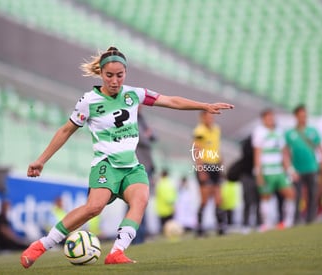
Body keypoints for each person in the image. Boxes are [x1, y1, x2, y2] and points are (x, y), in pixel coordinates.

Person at [20, 46, 233, 268]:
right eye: (109, 75)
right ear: (101, 73)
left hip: (131, 166)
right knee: (94, 208)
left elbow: (170, 101)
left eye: (119, 75)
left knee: (140, 200)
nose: (114, 80)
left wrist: (205, 106)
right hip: (106, 165)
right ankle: (41, 245)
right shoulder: (89, 101)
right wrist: (41, 160)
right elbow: (65, 130)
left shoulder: (134, 94)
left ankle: (117, 252)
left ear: (125, 73)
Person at [252, 109, 296, 232]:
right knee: (265, 197)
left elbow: (284, 154)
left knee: (290, 194)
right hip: (267, 170)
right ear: (263, 119)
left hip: (279, 170)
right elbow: (257, 153)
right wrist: (258, 172)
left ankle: (288, 221)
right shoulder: (259, 132)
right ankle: (266, 224)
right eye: (268, 118)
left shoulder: (279, 131)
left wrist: (290, 170)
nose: (271, 120)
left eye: (272, 117)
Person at [285, 104, 322, 224]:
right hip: (297, 169)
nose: (303, 118)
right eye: (301, 116)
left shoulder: (313, 131)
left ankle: (310, 219)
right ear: (296, 117)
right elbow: (286, 153)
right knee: (297, 195)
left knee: (313, 194)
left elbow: (319, 148)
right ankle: (296, 219)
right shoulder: (290, 133)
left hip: (312, 167)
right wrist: (290, 169)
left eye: (305, 116)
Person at [192, 111, 226, 236]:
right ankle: (199, 227)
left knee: (218, 198)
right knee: (205, 199)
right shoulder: (199, 131)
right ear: (202, 118)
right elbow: (196, 150)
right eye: (207, 117)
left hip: (215, 165)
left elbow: (218, 148)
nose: (210, 119)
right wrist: (201, 170)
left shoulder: (216, 129)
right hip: (205, 166)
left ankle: (221, 227)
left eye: (211, 117)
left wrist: (221, 164)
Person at [132, 106, 156, 244]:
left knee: (141, 201)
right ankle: (135, 236)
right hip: (137, 165)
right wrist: (147, 135)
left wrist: (148, 135)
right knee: (137, 201)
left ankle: (140, 235)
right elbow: (142, 138)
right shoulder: (131, 118)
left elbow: (153, 136)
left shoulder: (142, 119)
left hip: (146, 164)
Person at [238, 135, 262, 233]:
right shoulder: (248, 144)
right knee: (248, 201)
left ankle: (259, 223)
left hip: (257, 176)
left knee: (258, 201)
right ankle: (246, 224)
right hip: (248, 176)